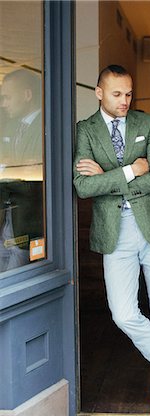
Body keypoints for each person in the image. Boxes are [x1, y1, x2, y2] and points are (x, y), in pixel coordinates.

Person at [73, 65, 150, 416]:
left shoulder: (147, 124)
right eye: (116, 94)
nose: (124, 101)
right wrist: (130, 170)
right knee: (124, 313)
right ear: (99, 93)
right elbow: (83, 187)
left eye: (128, 93)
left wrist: (109, 177)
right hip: (116, 232)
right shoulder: (85, 131)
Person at [0, 69, 43, 272]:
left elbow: (35, 178)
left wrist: (12, 168)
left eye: (7, 97)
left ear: (27, 95)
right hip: (7, 225)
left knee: (11, 288)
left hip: (30, 227)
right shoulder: (9, 128)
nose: (3, 104)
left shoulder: (47, 125)